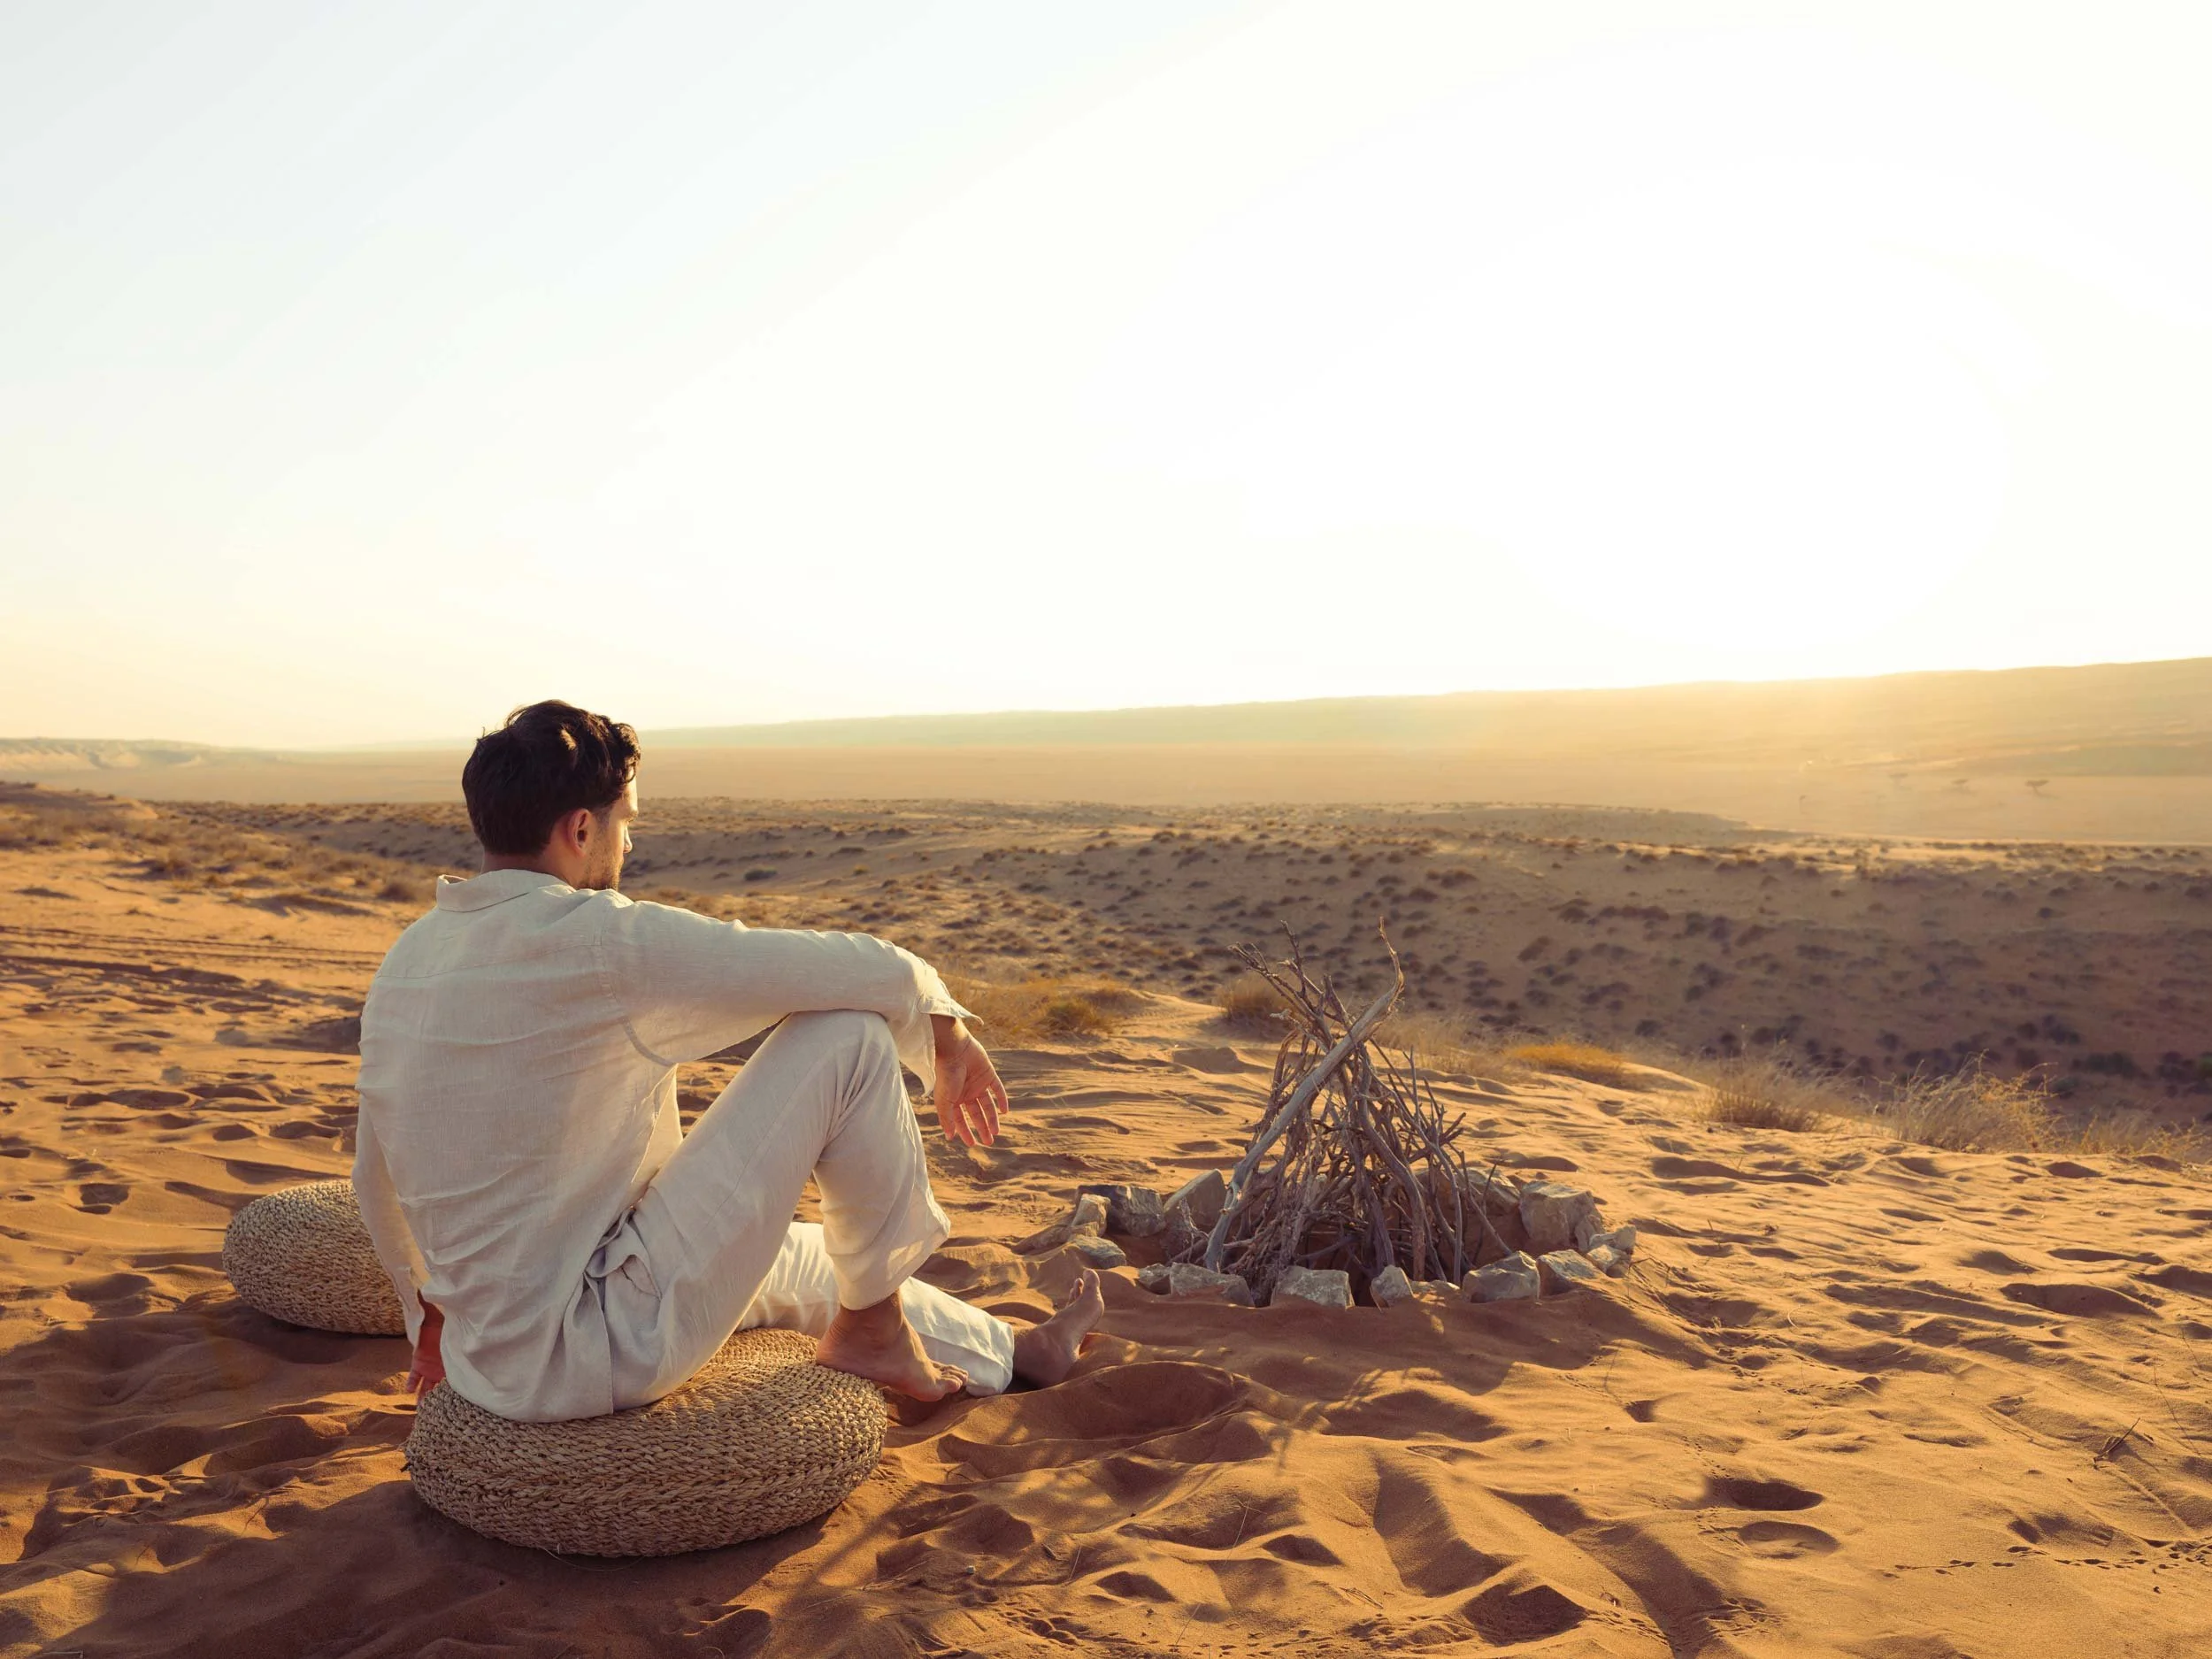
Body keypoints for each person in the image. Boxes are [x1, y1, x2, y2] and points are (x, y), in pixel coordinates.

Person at [352, 699, 1103, 1421]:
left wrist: (429, 1318)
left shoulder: (407, 960)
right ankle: (873, 1330)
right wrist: (947, 1035)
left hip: (494, 1354)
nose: (631, 845)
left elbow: (373, 1170)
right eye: (627, 824)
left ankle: (1014, 1350)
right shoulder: (600, 940)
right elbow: (863, 969)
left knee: (812, 1256)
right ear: (582, 827)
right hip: (599, 1344)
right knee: (849, 1037)